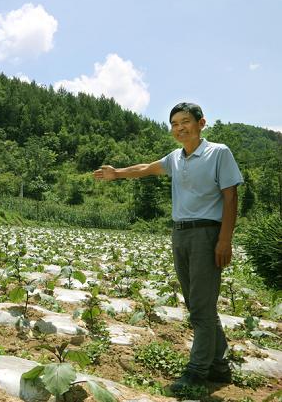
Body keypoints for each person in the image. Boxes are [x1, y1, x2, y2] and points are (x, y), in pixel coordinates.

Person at [93, 102, 243, 394]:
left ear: (201, 123)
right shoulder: (176, 157)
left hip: (206, 233)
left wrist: (225, 240)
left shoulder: (218, 153)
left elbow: (231, 197)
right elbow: (147, 168)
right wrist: (118, 173)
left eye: (185, 121)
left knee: (200, 307)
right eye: (174, 123)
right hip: (181, 233)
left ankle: (196, 373)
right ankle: (220, 367)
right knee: (199, 304)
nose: (179, 128)